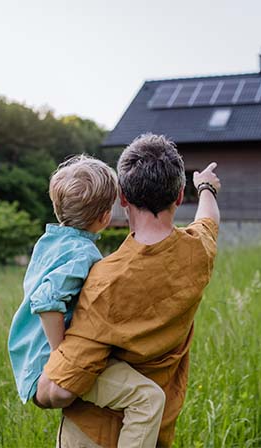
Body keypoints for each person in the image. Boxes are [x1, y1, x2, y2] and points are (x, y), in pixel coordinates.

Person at [42, 134, 221, 447]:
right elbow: (208, 219)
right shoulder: (199, 252)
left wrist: (39, 392)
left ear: (121, 198)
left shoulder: (103, 281)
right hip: (153, 433)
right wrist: (205, 186)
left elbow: (59, 389)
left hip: (93, 435)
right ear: (179, 196)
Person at [8, 154, 166, 448]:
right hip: (47, 364)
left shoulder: (49, 243)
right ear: (105, 218)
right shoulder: (83, 255)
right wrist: (61, 358)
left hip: (29, 361)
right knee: (149, 398)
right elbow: (47, 299)